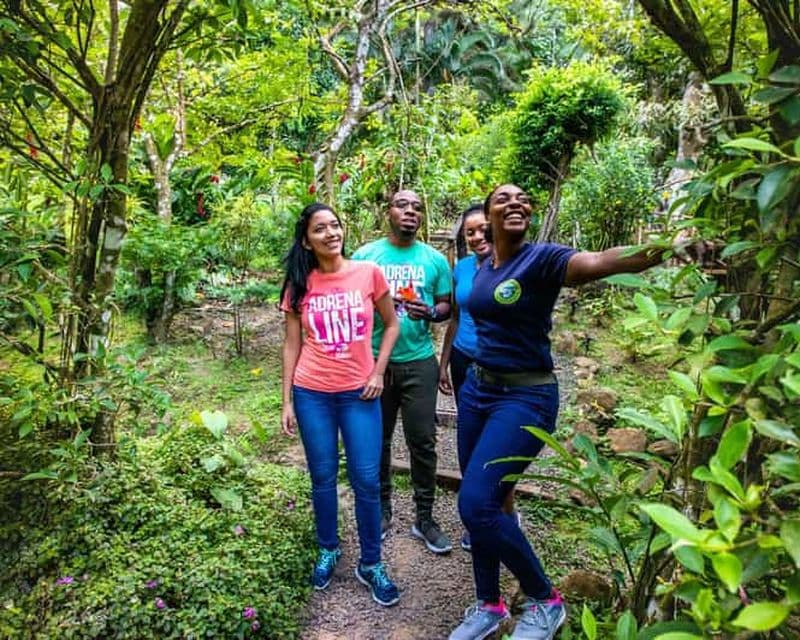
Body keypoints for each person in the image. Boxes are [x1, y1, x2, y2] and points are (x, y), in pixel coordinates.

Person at [449, 184, 697, 640]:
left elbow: (601, 261)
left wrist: (668, 246)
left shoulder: (541, 258)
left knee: (476, 502)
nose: (517, 202)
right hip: (477, 392)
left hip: (525, 397)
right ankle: (488, 605)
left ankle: (546, 600)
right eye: (503, 198)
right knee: (478, 505)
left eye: (523, 197)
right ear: (487, 216)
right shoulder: (484, 266)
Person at [280, 202, 401, 607]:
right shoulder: (298, 283)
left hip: (359, 393)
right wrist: (286, 402)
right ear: (307, 240)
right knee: (323, 476)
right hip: (312, 392)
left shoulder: (368, 273)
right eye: (320, 229)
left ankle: (371, 562)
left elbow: (393, 324)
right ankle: (328, 547)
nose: (331, 233)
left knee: (366, 478)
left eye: (335, 225)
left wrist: (378, 372)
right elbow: (291, 344)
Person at [352, 189, 453, 554]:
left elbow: (446, 305)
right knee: (377, 440)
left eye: (417, 208)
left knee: (422, 441)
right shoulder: (366, 255)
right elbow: (352, 301)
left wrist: (432, 313)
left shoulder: (435, 259)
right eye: (402, 205)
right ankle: (381, 509)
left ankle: (424, 517)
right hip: (375, 362)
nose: (411, 212)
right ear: (388, 212)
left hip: (418, 362)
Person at [437, 204, 517, 552]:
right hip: (463, 358)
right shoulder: (462, 268)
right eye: (470, 232)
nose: (478, 236)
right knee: (469, 442)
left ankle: (507, 514)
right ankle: (478, 518)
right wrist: (443, 363)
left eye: (484, 228)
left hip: (501, 363)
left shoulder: (516, 263)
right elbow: (455, 318)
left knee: (499, 446)